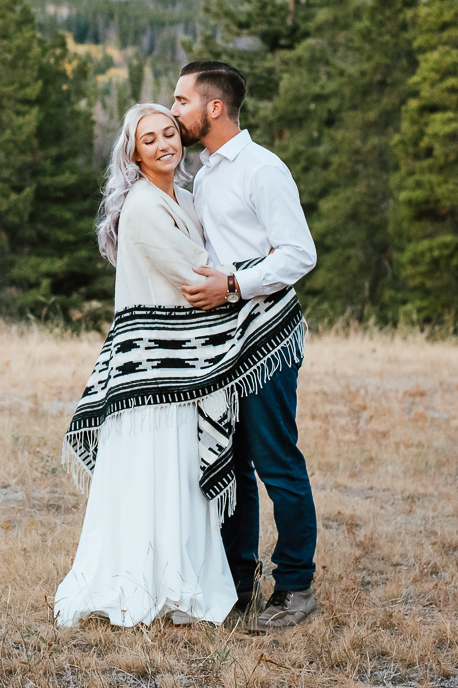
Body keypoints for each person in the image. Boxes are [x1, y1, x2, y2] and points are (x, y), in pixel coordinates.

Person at [55, 103, 307, 628]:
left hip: (192, 364)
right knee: (160, 477)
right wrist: (253, 281)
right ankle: (152, 582)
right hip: (159, 371)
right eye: (149, 139)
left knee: (192, 477)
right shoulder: (144, 208)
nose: (165, 143)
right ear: (133, 153)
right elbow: (198, 282)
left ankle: (223, 578)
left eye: (170, 132)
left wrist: (241, 279)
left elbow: (223, 268)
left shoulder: (189, 198)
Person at [170, 60, 320, 631]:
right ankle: (235, 585)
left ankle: (296, 589)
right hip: (222, 344)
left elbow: (299, 254)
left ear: (213, 108)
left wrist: (232, 283)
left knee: (277, 464)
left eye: (182, 100)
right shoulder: (206, 174)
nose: (174, 108)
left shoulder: (262, 169)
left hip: (268, 338)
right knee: (229, 465)